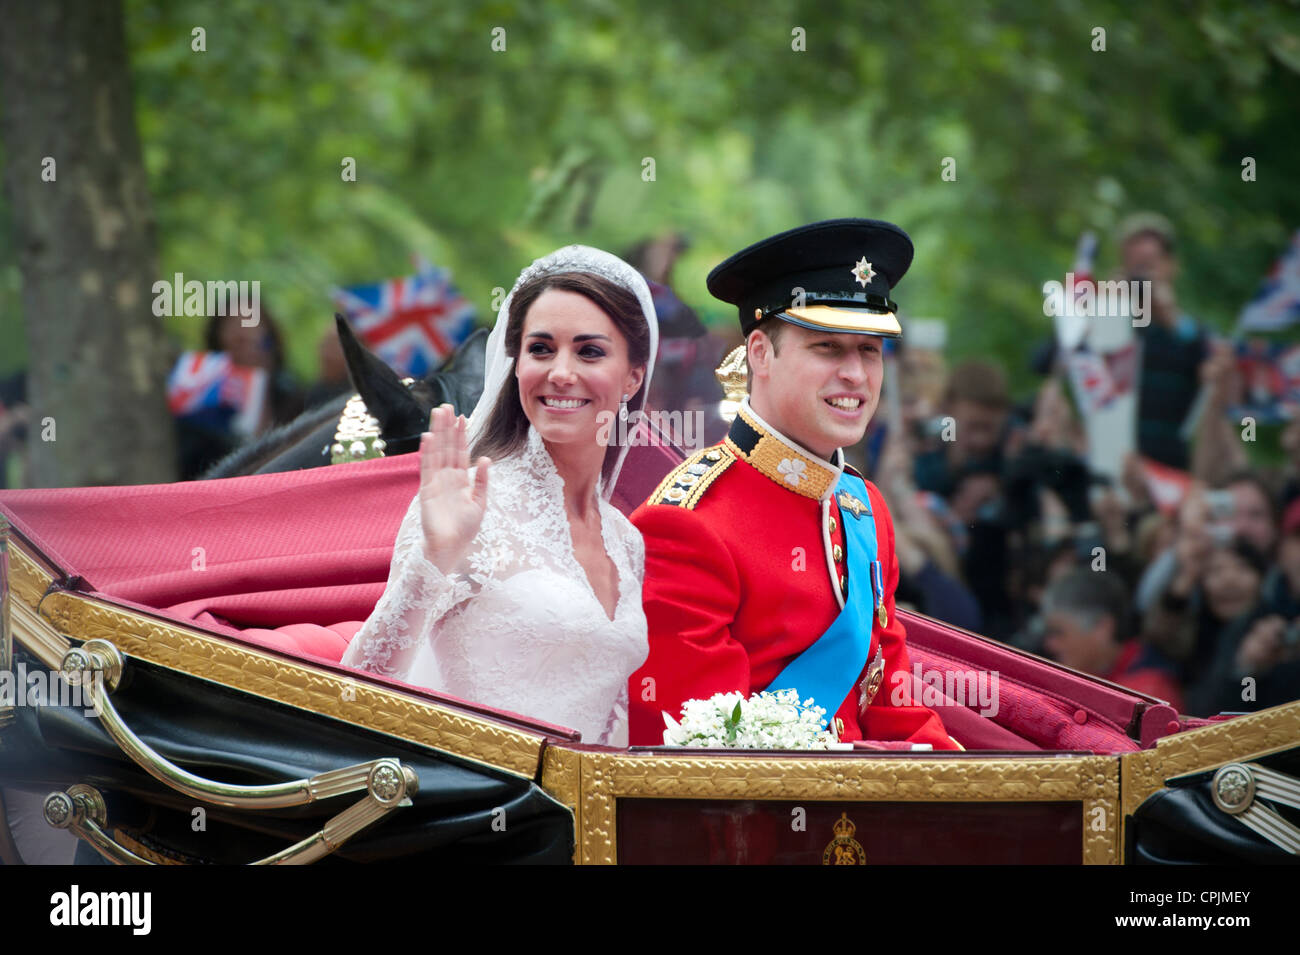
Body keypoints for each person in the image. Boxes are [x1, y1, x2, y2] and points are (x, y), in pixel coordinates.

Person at [628, 218, 960, 749]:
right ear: (760, 353)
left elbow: (892, 703)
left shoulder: (864, 508)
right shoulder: (684, 523)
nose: (855, 374)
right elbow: (697, 765)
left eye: (870, 350)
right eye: (828, 348)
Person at [342, 246, 658, 745]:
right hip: (477, 805)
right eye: (541, 348)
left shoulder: (626, 541)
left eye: (589, 351)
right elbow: (357, 695)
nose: (560, 372)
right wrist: (434, 557)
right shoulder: (471, 506)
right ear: (515, 364)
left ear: (633, 377)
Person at [1040, 569, 1185, 712]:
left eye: (1058, 633)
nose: (1050, 644)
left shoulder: (1148, 696)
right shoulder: (1099, 675)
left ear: (1101, 627)